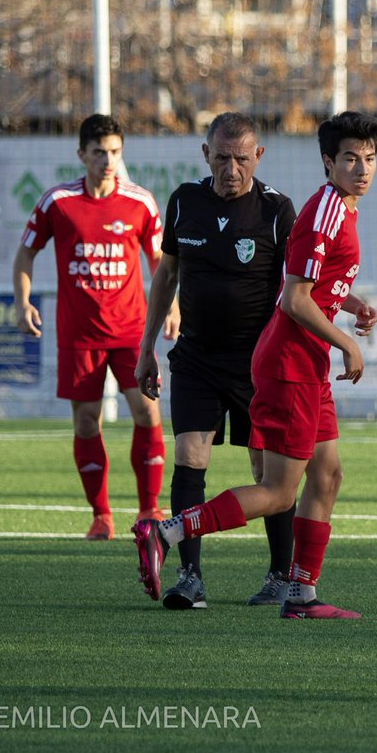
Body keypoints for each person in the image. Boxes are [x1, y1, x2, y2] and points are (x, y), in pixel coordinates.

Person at [132, 111, 377, 618]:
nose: (362, 168)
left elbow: (307, 278)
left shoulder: (324, 209)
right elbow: (295, 300)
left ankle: (299, 592)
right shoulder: (327, 211)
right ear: (328, 162)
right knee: (275, 489)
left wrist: (351, 306)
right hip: (286, 361)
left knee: (327, 473)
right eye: (351, 158)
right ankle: (167, 533)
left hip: (299, 360)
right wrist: (347, 343)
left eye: (370, 158)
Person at [135, 112, 299, 610]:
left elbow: (301, 287)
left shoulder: (276, 210)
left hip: (259, 363)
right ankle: (190, 577)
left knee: (267, 473)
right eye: (223, 158)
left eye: (242, 159)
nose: (232, 169)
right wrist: (147, 349)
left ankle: (279, 576)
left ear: (259, 157)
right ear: (206, 154)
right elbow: (166, 276)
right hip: (197, 358)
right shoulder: (186, 201)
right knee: (190, 457)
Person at [12, 113, 172, 541]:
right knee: (86, 422)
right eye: (100, 152)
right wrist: (22, 301)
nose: (108, 160)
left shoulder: (140, 202)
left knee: (147, 411)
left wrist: (171, 306)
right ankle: (101, 515)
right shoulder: (57, 202)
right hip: (79, 335)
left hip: (132, 331)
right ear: (82, 154)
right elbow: (25, 254)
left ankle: (149, 509)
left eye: (116, 152)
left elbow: (159, 262)